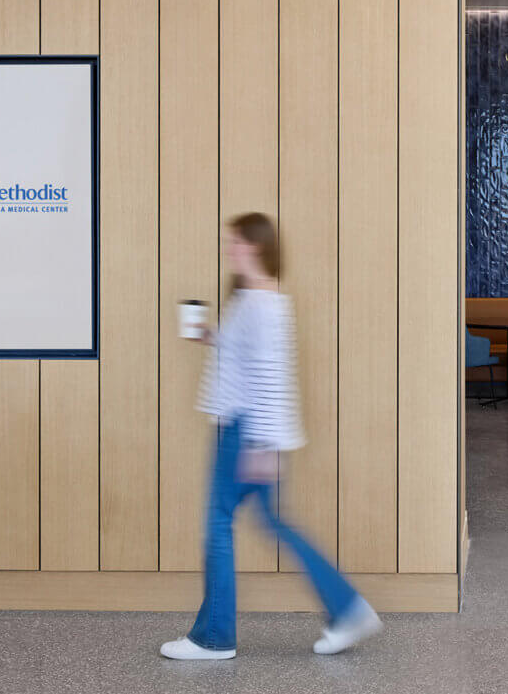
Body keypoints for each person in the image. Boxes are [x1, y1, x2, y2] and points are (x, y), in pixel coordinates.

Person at [162, 213, 382, 660]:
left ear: (257, 246)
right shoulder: (256, 298)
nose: (231, 248)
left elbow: (269, 376)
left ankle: (214, 637)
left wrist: (262, 445)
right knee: (272, 521)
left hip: (245, 429)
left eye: (237, 242)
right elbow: (250, 360)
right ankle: (346, 608)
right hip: (250, 428)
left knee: (218, 526)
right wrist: (212, 337)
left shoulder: (260, 303)